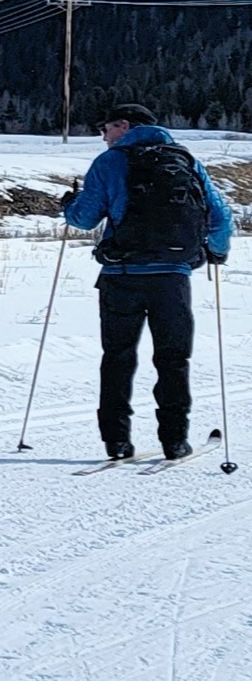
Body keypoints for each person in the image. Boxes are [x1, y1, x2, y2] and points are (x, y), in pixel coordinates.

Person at [62, 103, 232, 460]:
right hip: (172, 277)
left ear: (123, 126)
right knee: (173, 358)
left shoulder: (109, 163)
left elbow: (84, 217)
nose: (103, 136)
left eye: (104, 128)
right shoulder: (186, 161)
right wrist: (215, 252)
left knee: (118, 357)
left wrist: (69, 204)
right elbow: (220, 215)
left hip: (121, 276)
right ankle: (174, 440)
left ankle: (117, 441)